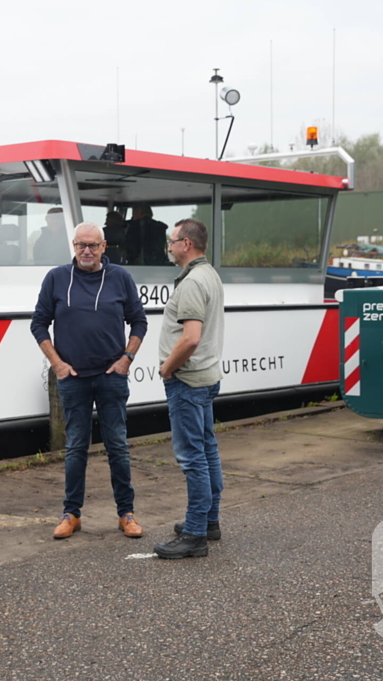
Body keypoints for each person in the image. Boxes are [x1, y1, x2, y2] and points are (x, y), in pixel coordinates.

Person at [30, 222, 148, 539]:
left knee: (118, 447)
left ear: (104, 246)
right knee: (75, 448)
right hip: (73, 378)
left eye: (93, 245)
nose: (87, 251)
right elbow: (38, 324)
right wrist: (57, 363)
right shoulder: (56, 278)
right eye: (81, 245)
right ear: (73, 245)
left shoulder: (120, 278)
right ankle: (71, 514)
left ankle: (126, 514)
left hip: (111, 377)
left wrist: (127, 358)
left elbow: (139, 321)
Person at [153, 218, 225, 560]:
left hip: (187, 380)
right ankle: (209, 521)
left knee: (192, 456)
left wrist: (168, 367)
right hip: (207, 378)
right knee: (207, 449)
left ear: (187, 244)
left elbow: (191, 337)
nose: (169, 246)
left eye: (172, 241)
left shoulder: (193, 282)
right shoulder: (209, 274)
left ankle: (195, 534)